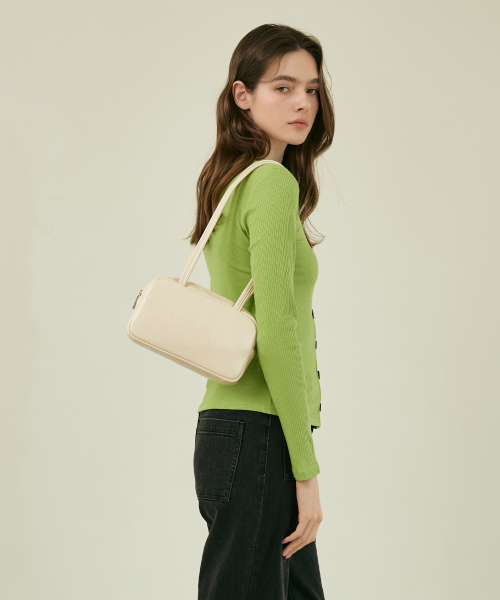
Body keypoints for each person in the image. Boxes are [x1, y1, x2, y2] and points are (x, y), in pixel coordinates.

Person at [186, 23, 335, 599]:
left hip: (234, 434)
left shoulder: (229, 180)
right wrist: (306, 470)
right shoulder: (269, 183)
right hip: (260, 438)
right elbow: (276, 333)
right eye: (283, 87)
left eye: (312, 89)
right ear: (242, 95)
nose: (303, 103)